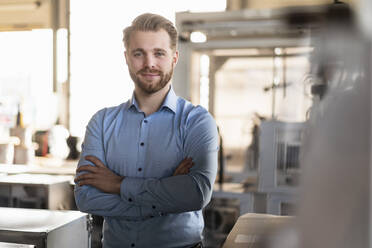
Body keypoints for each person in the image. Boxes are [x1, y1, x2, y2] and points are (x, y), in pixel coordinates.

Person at [74, 13, 219, 248]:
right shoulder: (101, 122)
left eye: (159, 53)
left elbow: (196, 194)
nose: (149, 63)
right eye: (138, 53)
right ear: (127, 58)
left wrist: (119, 185)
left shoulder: (197, 121)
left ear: (174, 57)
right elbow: (86, 198)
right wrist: (166, 194)